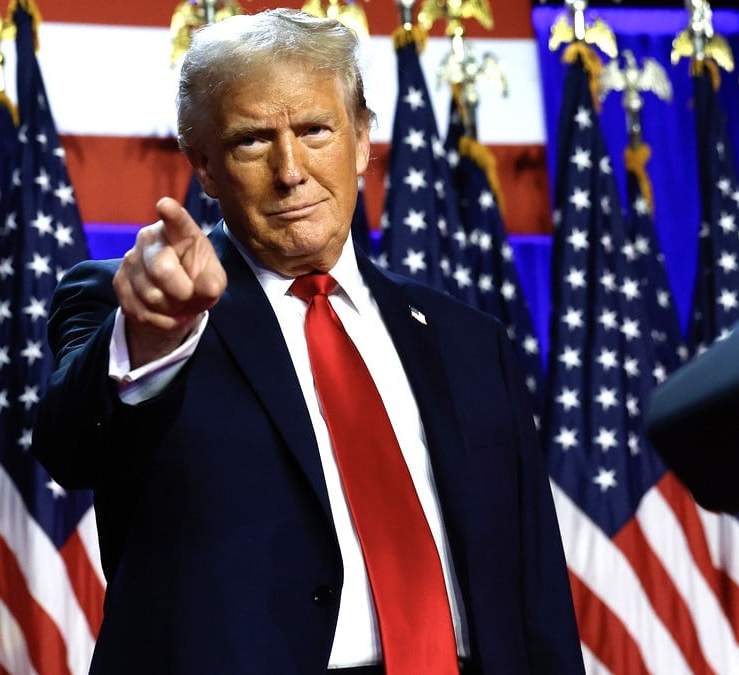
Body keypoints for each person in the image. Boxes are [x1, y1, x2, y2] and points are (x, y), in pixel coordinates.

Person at [34, 9, 583, 674]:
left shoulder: (470, 342)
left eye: (316, 130)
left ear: (360, 141)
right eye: (251, 142)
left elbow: (535, 594)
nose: (290, 169)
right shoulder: (139, 311)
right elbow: (73, 446)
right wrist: (153, 340)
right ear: (203, 166)